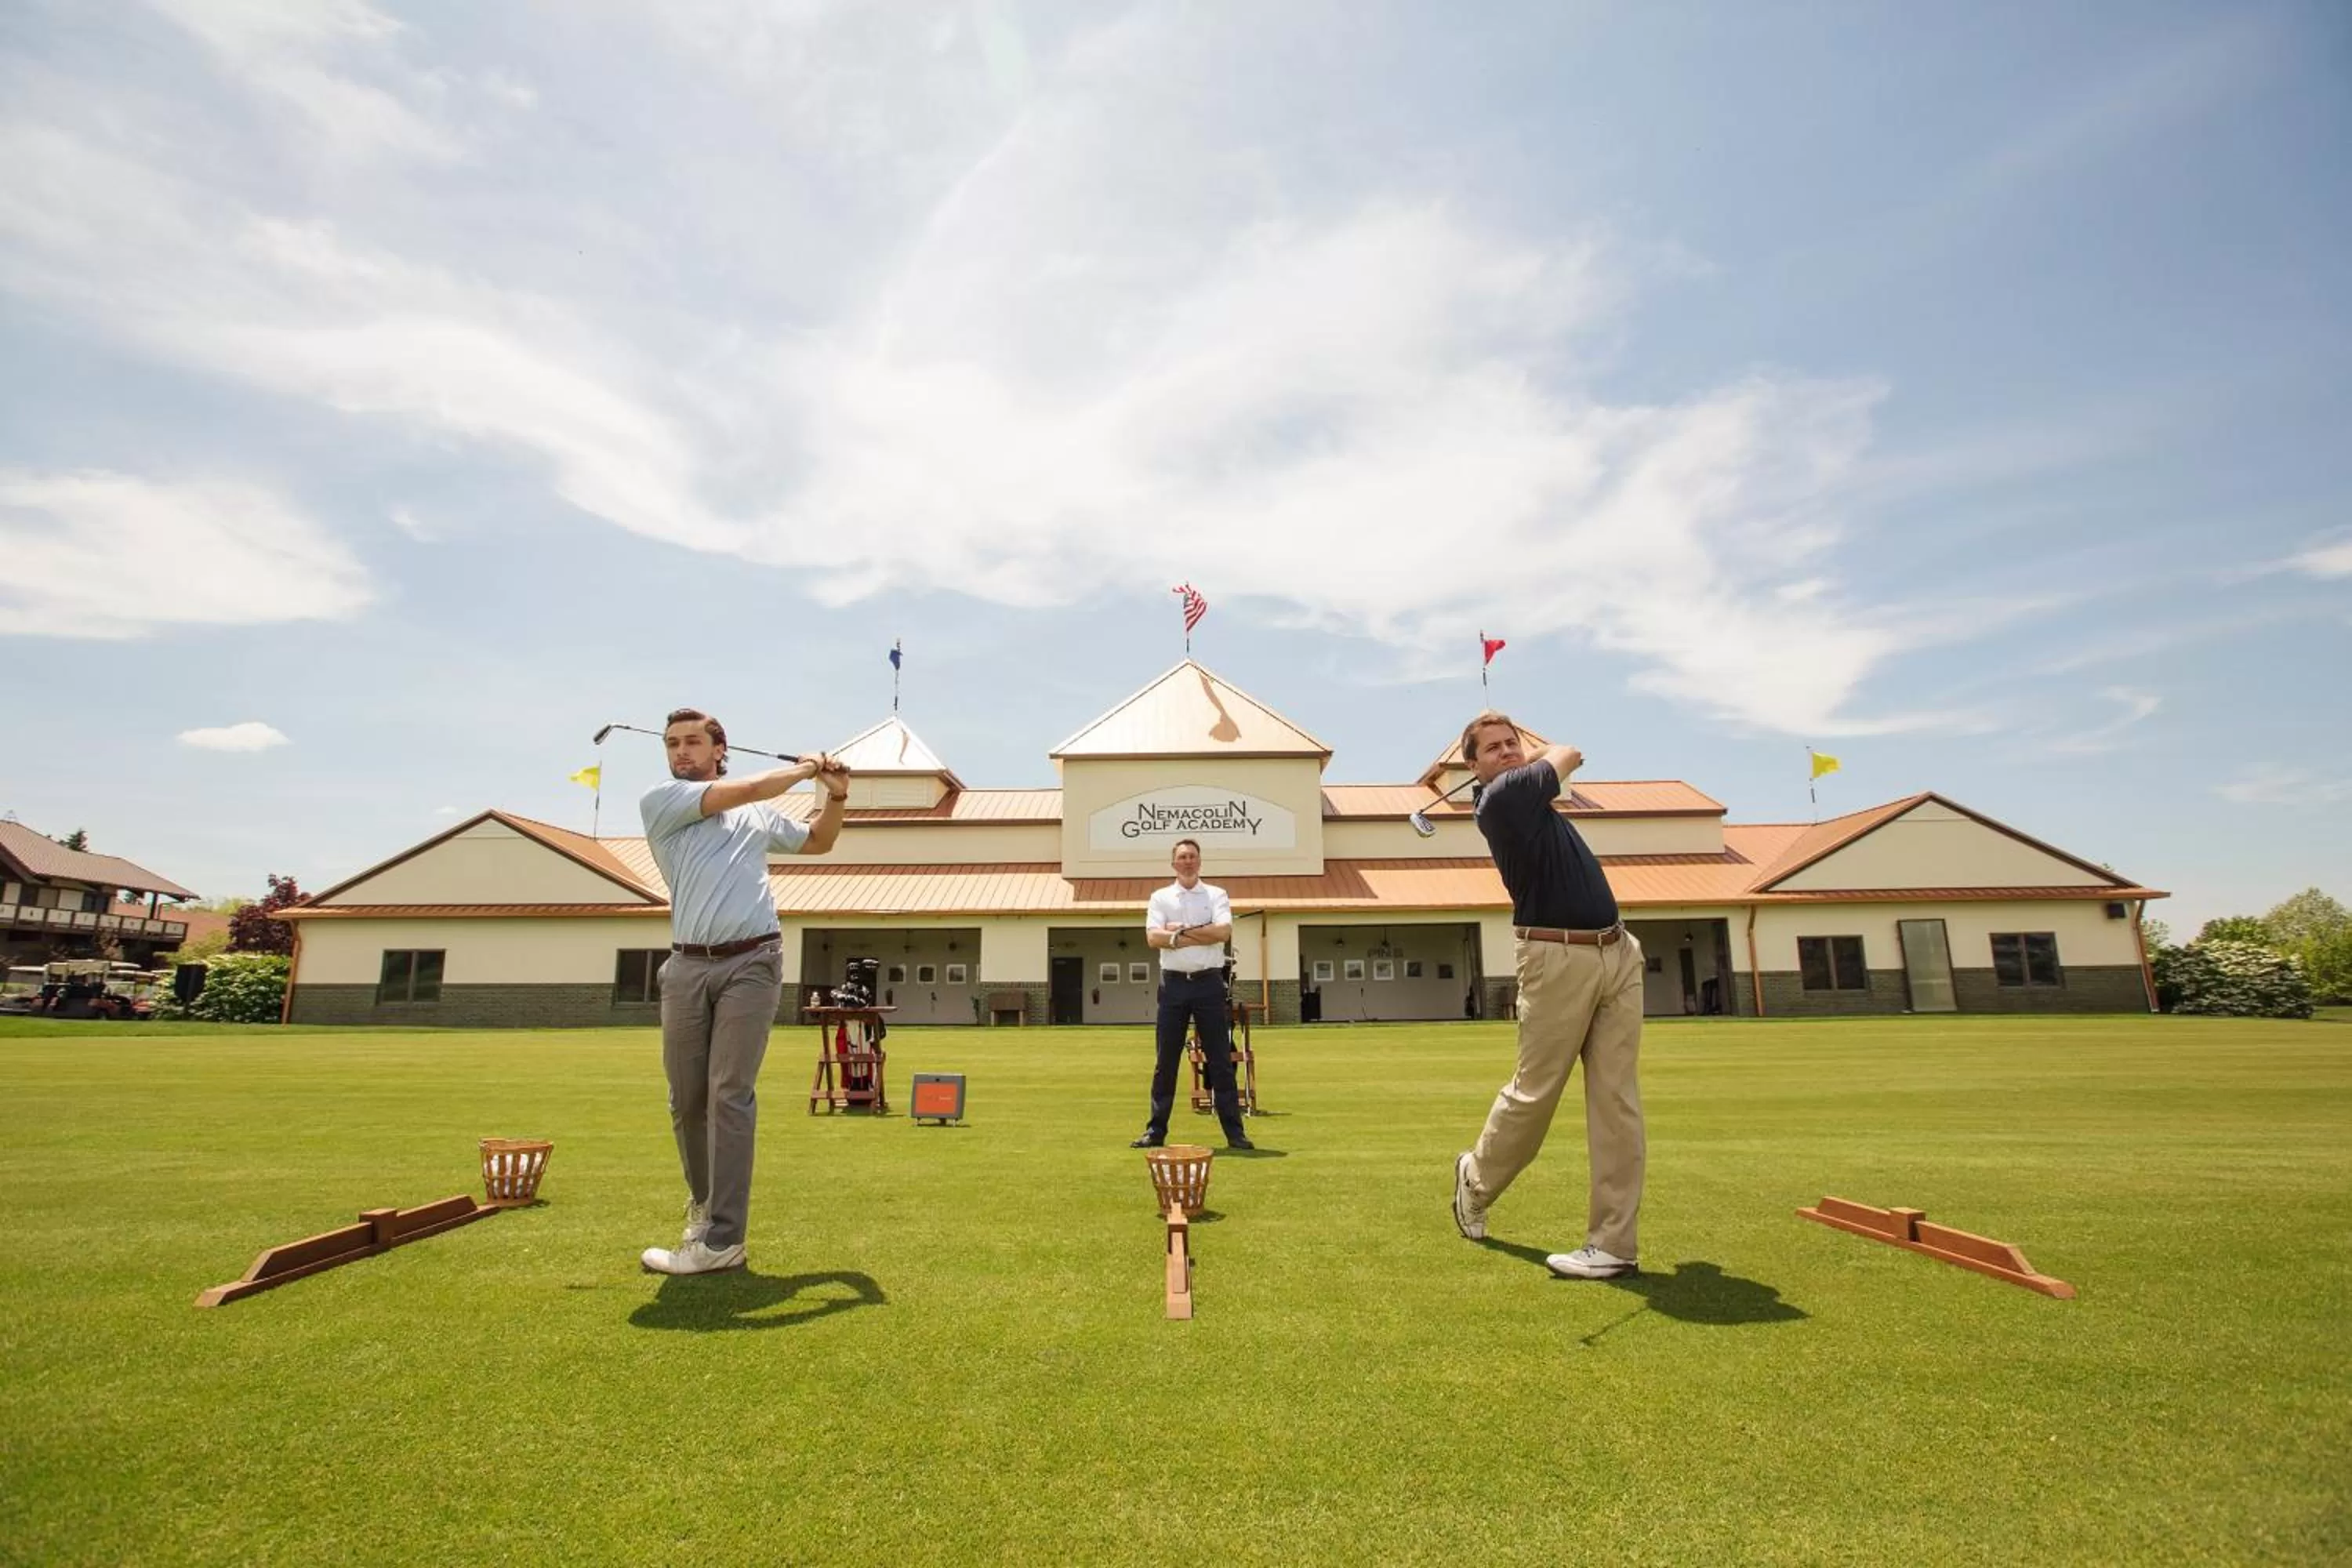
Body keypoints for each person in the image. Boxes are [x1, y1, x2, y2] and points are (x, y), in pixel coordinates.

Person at [637, 707, 848, 1276]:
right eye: (672, 744)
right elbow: (752, 787)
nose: (680, 753)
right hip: (685, 968)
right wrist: (806, 768)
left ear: (718, 749)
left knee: (729, 1093)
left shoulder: (754, 813)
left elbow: (818, 843)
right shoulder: (662, 801)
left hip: (753, 962)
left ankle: (724, 1239)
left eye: (692, 743)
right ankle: (705, 1212)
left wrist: (836, 795)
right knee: (687, 1101)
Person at [1449, 713, 1645, 1279]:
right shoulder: (1502, 800)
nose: (1508, 752)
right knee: (1536, 1094)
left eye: (1513, 744)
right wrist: (1538, 756)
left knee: (1618, 1105)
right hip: (1555, 958)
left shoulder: (1532, 796)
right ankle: (1477, 1180)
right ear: (1474, 766)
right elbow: (1571, 751)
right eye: (1493, 748)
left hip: (1617, 952)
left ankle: (1613, 1245)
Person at [1130, 838, 1253, 1151]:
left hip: (1209, 984)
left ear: (1200, 862)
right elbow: (1152, 938)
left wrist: (1177, 932)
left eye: (1193, 856)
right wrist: (1200, 933)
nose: (1187, 861)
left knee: (1220, 1060)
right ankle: (1156, 1131)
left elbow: (1222, 933)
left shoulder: (1216, 894)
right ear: (1173, 863)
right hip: (1173, 986)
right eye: (1182, 857)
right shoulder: (1160, 897)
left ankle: (1235, 1134)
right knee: (1165, 1061)